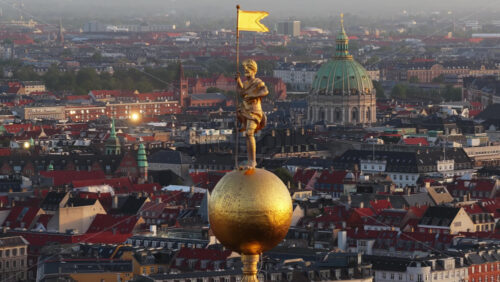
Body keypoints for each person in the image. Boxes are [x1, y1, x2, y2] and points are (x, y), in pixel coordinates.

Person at [235, 59, 269, 169]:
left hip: (255, 110)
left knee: (249, 133)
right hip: (245, 110)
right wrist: (238, 81)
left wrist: (253, 96)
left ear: (253, 70)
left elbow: (265, 91)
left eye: (248, 69)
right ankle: (250, 159)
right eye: (245, 69)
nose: (246, 70)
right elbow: (242, 93)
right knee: (247, 134)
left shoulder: (257, 82)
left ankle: (252, 161)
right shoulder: (245, 83)